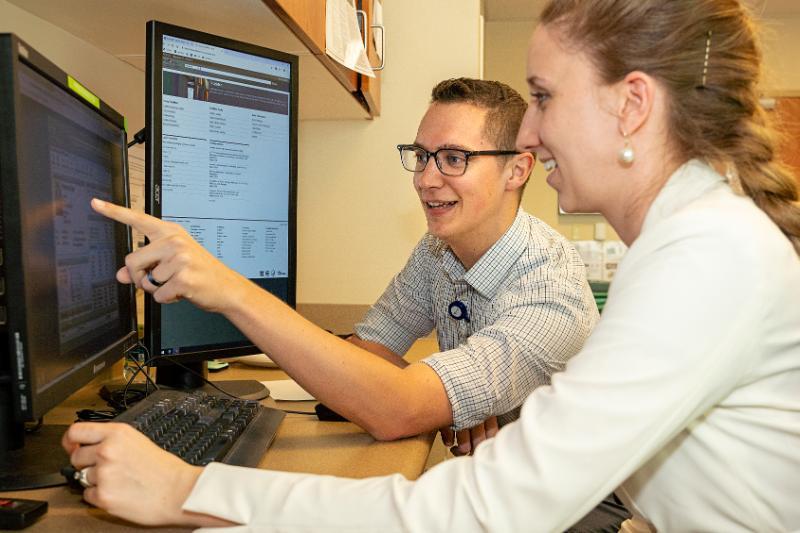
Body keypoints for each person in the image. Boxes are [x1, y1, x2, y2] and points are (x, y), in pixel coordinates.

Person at [63, 0, 800, 530]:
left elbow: (477, 507)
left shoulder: (703, 260)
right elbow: (373, 364)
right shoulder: (695, 242)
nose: (532, 134)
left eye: (544, 98)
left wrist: (192, 490)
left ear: (632, 105)